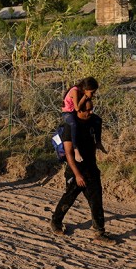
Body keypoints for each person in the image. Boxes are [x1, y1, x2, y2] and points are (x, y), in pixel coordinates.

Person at [50, 99, 115, 245]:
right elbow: (68, 153)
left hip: (91, 168)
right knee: (69, 198)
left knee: (96, 201)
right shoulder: (70, 126)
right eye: (87, 110)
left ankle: (99, 232)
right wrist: (77, 175)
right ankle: (56, 222)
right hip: (75, 171)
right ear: (78, 110)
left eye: (92, 109)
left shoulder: (94, 122)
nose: (91, 112)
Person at [62, 77, 100, 163]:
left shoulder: (82, 92)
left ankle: (98, 142)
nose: (92, 95)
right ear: (86, 89)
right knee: (74, 124)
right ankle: (76, 149)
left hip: (74, 112)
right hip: (67, 113)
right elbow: (77, 108)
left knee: (98, 119)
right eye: (92, 92)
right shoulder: (75, 91)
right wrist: (85, 97)